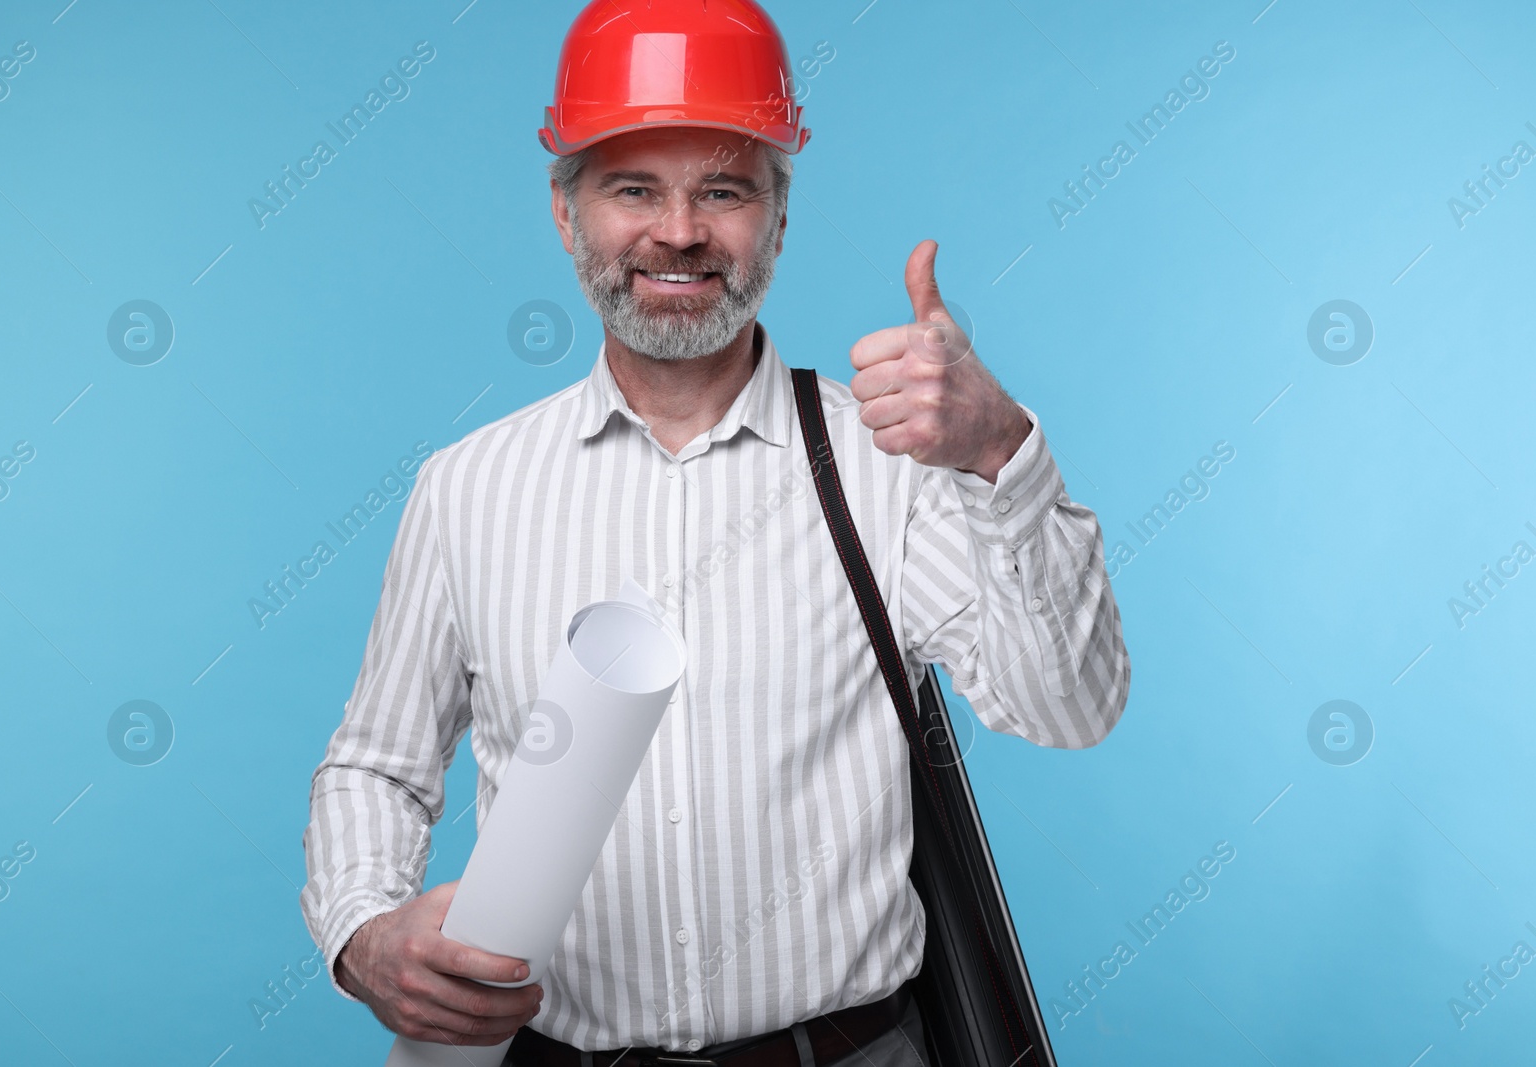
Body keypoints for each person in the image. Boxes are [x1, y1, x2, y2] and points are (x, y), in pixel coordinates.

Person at [300, 1, 1131, 1064]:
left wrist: (1000, 453)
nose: (679, 230)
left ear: (777, 221)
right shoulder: (466, 489)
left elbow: (1069, 706)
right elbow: (376, 764)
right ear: (565, 215)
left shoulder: (892, 469)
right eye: (633, 188)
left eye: (724, 189)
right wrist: (366, 932)